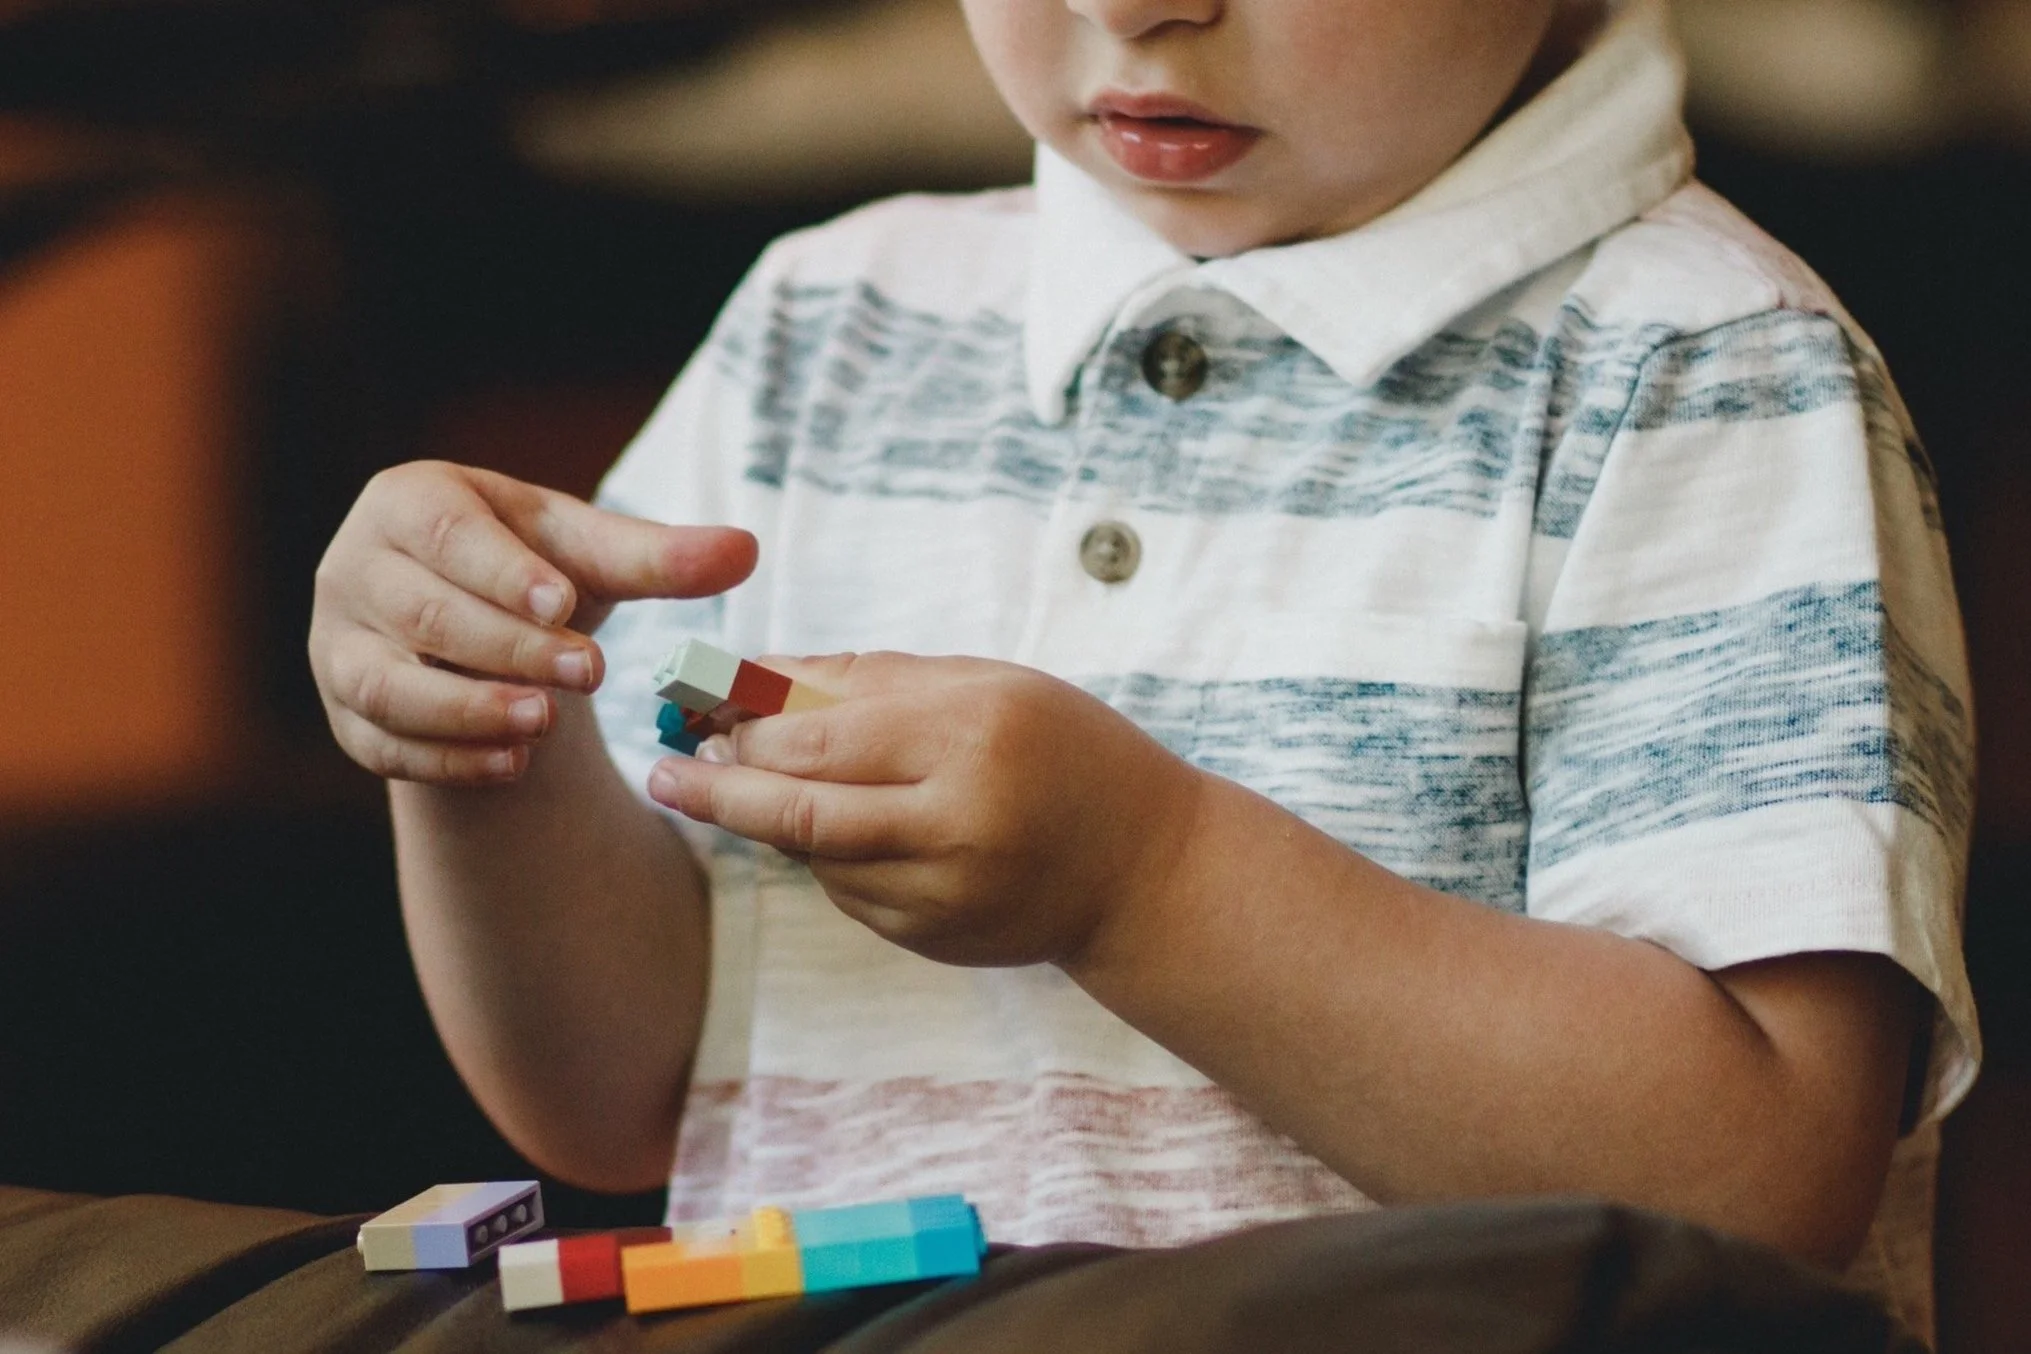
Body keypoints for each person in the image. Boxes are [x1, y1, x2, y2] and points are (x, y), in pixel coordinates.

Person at [307, 0, 1977, 1337]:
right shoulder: (823, 325)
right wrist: (486, 737)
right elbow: (620, 1094)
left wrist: (1146, 879)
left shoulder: (1705, 373)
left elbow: (1755, 1180)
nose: (1134, 8)